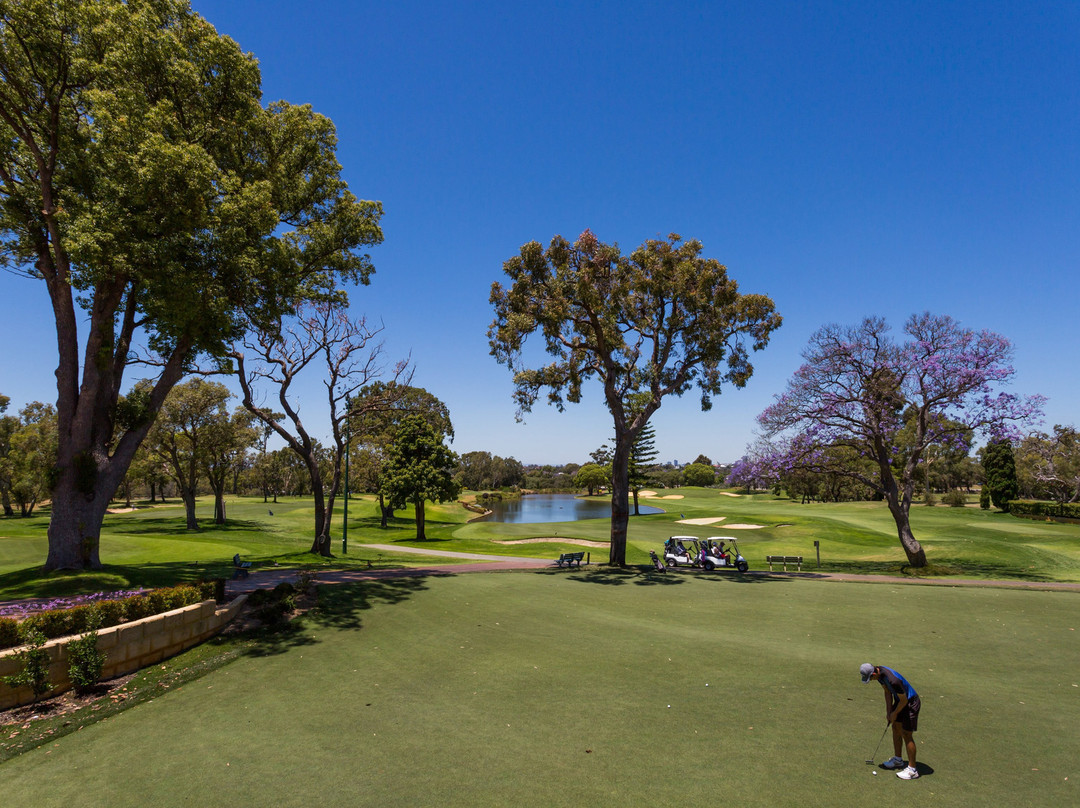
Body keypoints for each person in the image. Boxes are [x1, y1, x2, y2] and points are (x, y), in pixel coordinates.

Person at [860, 662, 921, 780]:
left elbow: (904, 701)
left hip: (911, 703)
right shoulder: (879, 676)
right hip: (900, 702)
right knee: (895, 728)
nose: (871, 680)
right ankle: (898, 760)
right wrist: (889, 713)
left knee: (906, 734)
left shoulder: (893, 680)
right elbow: (887, 692)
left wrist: (895, 713)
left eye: (870, 678)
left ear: (874, 673)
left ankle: (913, 770)